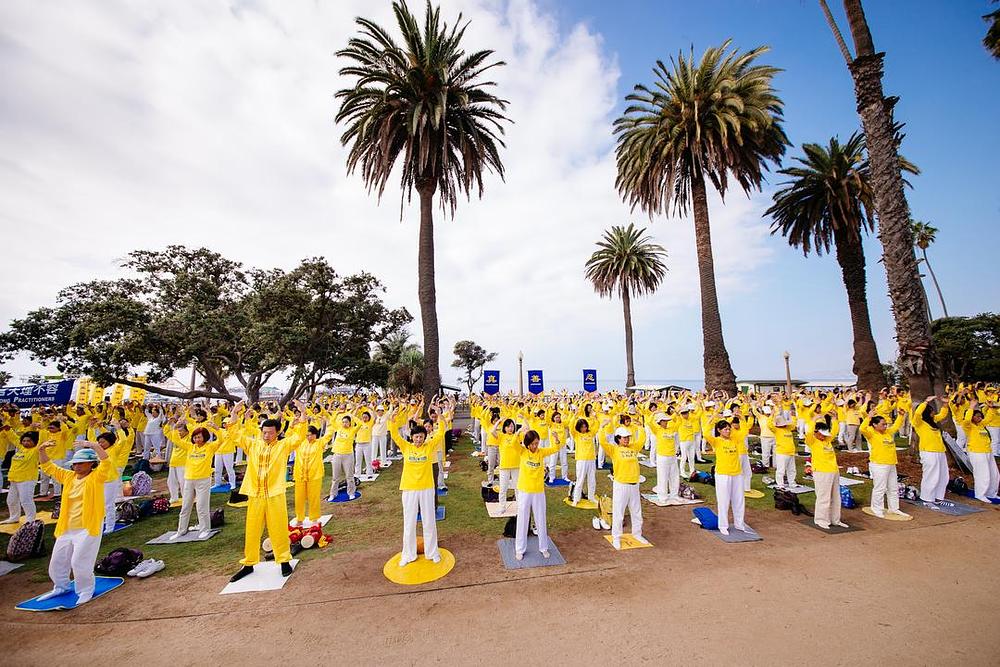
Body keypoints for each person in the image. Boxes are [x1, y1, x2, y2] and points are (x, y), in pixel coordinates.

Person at [229, 404, 307, 582]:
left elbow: (299, 436)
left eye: (270, 432)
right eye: (264, 432)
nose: (266, 435)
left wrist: (302, 414)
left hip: (274, 494)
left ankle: (284, 560)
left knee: (278, 528)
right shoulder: (253, 445)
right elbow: (235, 434)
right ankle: (248, 564)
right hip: (255, 495)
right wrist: (234, 413)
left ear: (278, 432)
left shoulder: (283, 446)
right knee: (252, 529)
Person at [34, 442, 112, 606]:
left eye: (80, 463)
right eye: (75, 463)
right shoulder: (68, 477)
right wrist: (41, 450)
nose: (76, 466)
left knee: (79, 561)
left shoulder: (96, 477)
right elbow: (48, 467)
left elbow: (106, 462)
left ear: (91, 464)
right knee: (57, 561)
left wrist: (93, 445)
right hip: (67, 527)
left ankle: (85, 590)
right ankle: (61, 586)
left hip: (87, 527)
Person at [387, 415, 443, 566]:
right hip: (409, 489)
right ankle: (408, 554)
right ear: (412, 437)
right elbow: (394, 435)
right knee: (409, 522)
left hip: (426, 488)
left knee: (429, 521)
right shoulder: (406, 447)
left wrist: (441, 417)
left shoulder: (429, 446)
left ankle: (433, 552)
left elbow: (439, 434)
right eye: (416, 437)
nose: (419, 439)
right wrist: (392, 421)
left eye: (421, 437)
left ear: (425, 437)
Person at [170, 424, 223, 540]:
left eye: (199, 437)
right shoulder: (190, 447)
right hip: (189, 479)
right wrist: (175, 428)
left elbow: (221, 439)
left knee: (201, 506)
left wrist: (216, 428)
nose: (196, 440)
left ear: (204, 437)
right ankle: (181, 530)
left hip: (203, 480)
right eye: (195, 437)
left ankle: (205, 529)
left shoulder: (210, 447)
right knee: (185, 506)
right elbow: (176, 440)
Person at [599, 425, 648, 549]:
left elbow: (642, 438)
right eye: (624, 438)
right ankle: (616, 537)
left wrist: (639, 426)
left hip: (634, 485)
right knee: (618, 512)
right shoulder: (614, 450)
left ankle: (637, 534)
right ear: (618, 439)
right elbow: (602, 441)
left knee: (637, 512)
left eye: (628, 437)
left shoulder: (633, 448)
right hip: (621, 485)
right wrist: (602, 428)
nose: (626, 440)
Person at [514, 429, 560, 560]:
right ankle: (520, 549)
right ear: (527, 444)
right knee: (523, 519)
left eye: (537, 443)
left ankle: (543, 547)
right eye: (533, 443)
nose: (535, 446)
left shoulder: (541, 452)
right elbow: (513, 444)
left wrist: (555, 438)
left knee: (540, 518)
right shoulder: (522, 451)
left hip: (538, 491)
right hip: (524, 490)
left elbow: (555, 448)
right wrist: (518, 433)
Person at [860, 411, 909, 518]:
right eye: (883, 424)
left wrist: (900, 415)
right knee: (880, 487)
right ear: (875, 425)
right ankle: (876, 508)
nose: (885, 426)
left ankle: (894, 508)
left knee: (893, 487)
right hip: (879, 464)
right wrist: (868, 417)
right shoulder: (871, 433)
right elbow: (862, 429)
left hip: (891, 463)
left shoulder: (887, 432)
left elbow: (896, 426)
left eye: (886, 424)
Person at [702, 419, 747, 535]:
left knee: (739, 500)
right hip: (723, 474)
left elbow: (744, 430)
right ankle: (723, 525)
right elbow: (706, 433)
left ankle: (739, 523)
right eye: (725, 429)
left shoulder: (735, 439)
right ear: (719, 430)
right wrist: (712, 419)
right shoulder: (717, 441)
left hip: (737, 473)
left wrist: (741, 417)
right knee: (724, 500)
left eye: (729, 429)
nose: (728, 431)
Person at [806, 413, 847, 529]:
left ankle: (835, 519)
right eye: (821, 434)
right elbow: (809, 433)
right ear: (816, 432)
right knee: (823, 497)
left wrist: (834, 419)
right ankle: (821, 520)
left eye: (825, 434)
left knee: (836, 497)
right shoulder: (812, 441)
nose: (823, 437)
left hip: (833, 471)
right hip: (821, 471)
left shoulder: (827, 440)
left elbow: (834, 430)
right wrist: (813, 420)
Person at [955, 401, 1000, 503]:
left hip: (987, 452)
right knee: (983, 474)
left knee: (994, 474)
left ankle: (992, 493)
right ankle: (980, 494)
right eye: (977, 416)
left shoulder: (981, 425)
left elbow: (989, 418)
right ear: (972, 417)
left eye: (980, 416)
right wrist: (971, 407)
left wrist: (991, 408)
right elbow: (966, 420)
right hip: (977, 453)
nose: (980, 418)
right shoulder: (968, 426)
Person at [911, 396, 949, 503]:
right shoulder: (919, 423)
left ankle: (938, 496)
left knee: (943, 475)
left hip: (940, 451)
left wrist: (945, 404)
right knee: (931, 475)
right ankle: (927, 497)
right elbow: (918, 413)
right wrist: (925, 402)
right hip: (928, 452)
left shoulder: (933, 420)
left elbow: (942, 415)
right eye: (931, 411)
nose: (933, 413)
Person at [292, 425, 332, 528]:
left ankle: (314, 518)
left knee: (313, 497)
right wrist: (293, 424)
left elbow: (329, 434)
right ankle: (299, 518)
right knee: (299, 498)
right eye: (306, 435)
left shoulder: (319, 443)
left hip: (314, 475)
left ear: (315, 435)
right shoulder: (300, 443)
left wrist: (332, 421)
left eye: (310, 435)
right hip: (300, 475)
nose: (308, 437)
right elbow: (290, 434)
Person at [2, 431, 41, 524]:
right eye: (24, 441)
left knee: (26, 501)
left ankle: (30, 521)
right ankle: (14, 517)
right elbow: (14, 438)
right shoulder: (21, 449)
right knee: (11, 500)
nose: (25, 443)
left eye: (29, 441)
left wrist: (42, 429)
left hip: (27, 480)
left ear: (35, 442)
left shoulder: (36, 450)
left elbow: (42, 439)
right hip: (14, 480)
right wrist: (8, 430)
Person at [328, 412, 361, 500]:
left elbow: (360, 423)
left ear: (350, 422)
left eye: (346, 422)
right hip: (337, 454)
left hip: (348, 455)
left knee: (349, 476)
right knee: (335, 477)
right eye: (343, 422)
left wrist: (353, 416)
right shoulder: (339, 428)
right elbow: (331, 420)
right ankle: (333, 494)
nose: (344, 424)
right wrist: (337, 413)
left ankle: (351, 492)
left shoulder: (352, 430)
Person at [649, 411, 679, 502]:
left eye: (666, 421)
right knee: (663, 476)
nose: (666, 422)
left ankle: (674, 494)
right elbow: (649, 422)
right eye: (664, 421)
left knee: (674, 476)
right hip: (662, 456)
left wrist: (676, 413)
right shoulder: (657, 430)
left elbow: (679, 421)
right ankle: (662, 496)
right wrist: (654, 414)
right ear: (660, 422)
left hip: (672, 456)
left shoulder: (672, 428)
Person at [492, 418, 521, 507]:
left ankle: (520, 506)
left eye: (512, 426)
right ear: (504, 428)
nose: (510, 428)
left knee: (518, 487)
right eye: (508, 427)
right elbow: (492, 431)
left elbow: (527, 429)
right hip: (504, 466)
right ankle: (502, 506)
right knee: (503, 488)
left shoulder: (517, 436)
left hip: (516, 465)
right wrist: (498, 422)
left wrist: (523, 420)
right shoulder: (501, 436)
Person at [569, 418, 597, 505]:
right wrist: (575, 415)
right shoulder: (576, 435)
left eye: (585, 427)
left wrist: (595, 418)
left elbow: (597, 426)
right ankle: (576, 499)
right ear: (579, 428)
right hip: (581, 460)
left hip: (591, 459)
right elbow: (571, 426)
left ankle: (591, 497)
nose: (584, 429)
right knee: (580, 479)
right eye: (582, 427)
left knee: (592, 479)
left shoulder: (590, 433)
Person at [769, 412, 798, 489]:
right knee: (781, 470)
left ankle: (792, 482)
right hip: (782, 452)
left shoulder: (788, 428)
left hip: (791, 452)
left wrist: (793, 416)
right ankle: (780, 484)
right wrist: (772, 416)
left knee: (792, 469)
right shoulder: (776, 430)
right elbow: (769, 425)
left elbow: (794, 424)